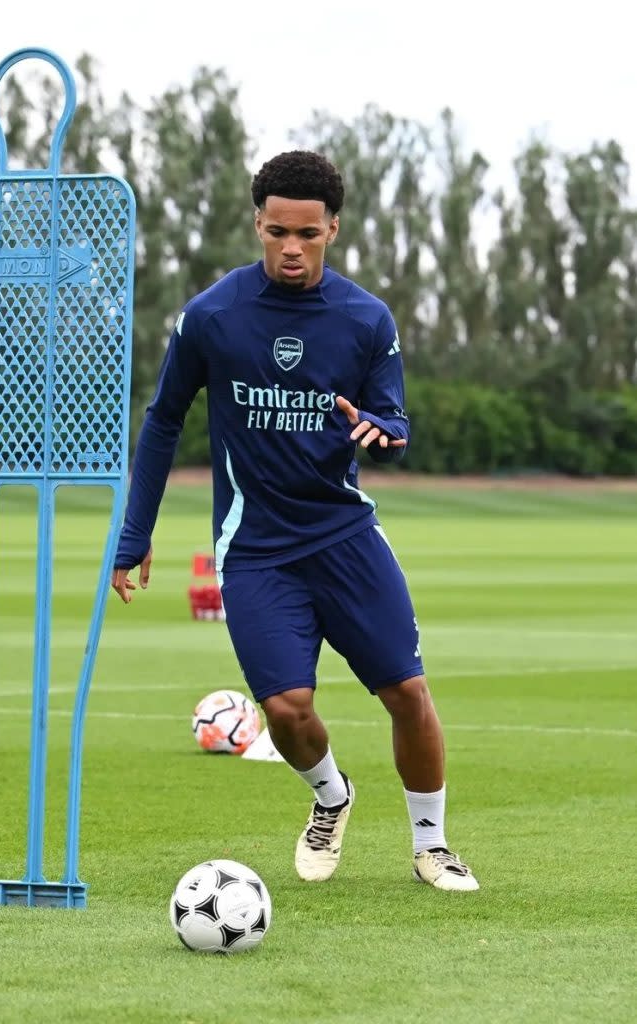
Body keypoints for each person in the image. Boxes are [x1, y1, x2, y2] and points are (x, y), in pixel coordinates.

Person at [111, 150, 478, 892]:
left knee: (407, 693)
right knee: (285, 708)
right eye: (276, 231)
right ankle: (331, 797)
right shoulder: (212, 317)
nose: (290, 247)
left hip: (345, 538)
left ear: (332, 229)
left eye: (307, 234)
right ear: (257, 223)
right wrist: (134, 532)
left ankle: (432, 844)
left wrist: (382, 430)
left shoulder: (366, 319)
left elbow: (393, 420)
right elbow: (161, 423)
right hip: (256, 550)